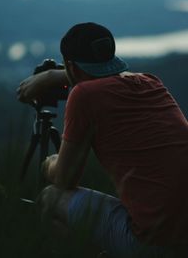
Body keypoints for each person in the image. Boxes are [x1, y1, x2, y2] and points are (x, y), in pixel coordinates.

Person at [17, 22, 188, 258]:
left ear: (70, 66)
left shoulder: (84, 96)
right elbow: (108, 79)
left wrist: (49, 164)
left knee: (50, 198)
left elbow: (65, 179)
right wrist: (54, 76)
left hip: (152, 243)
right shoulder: (152, 83)